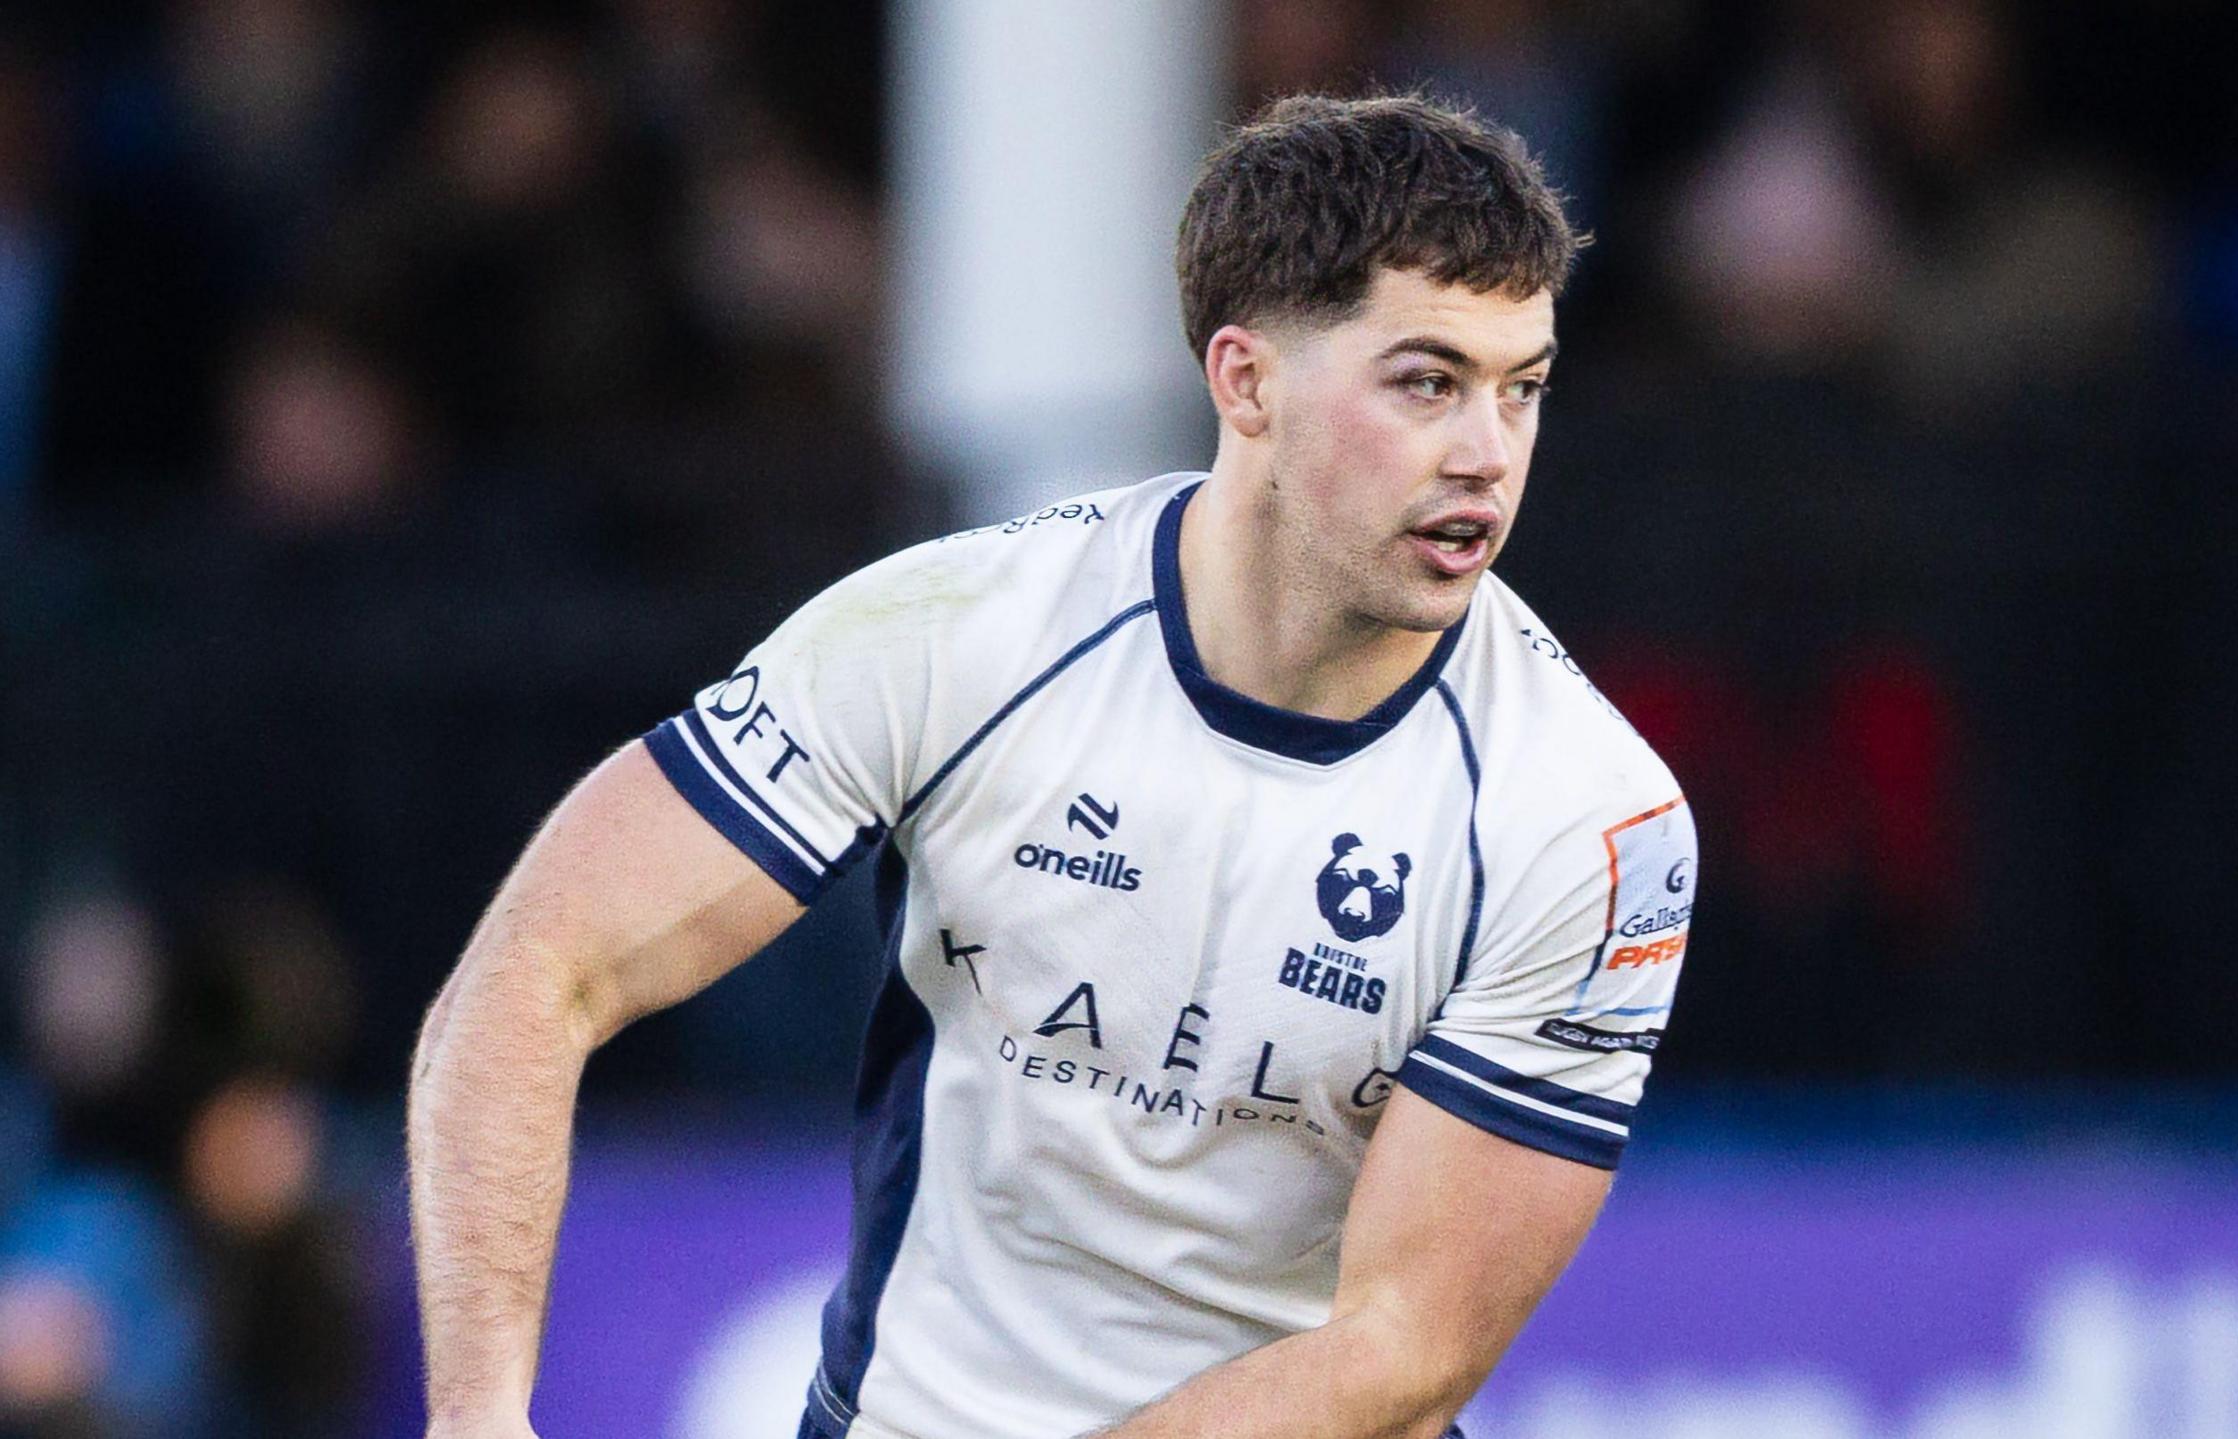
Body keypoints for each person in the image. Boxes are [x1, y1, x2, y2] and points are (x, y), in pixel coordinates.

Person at [407, 92, 1695, 1439]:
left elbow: (1407, 1348)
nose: (1489, 454)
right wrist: (477, 1418)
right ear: (1246, 382)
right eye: (1429, 381)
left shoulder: (1591, 815)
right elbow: (535, 975)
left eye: (1524, 386)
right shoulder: (956, 635)